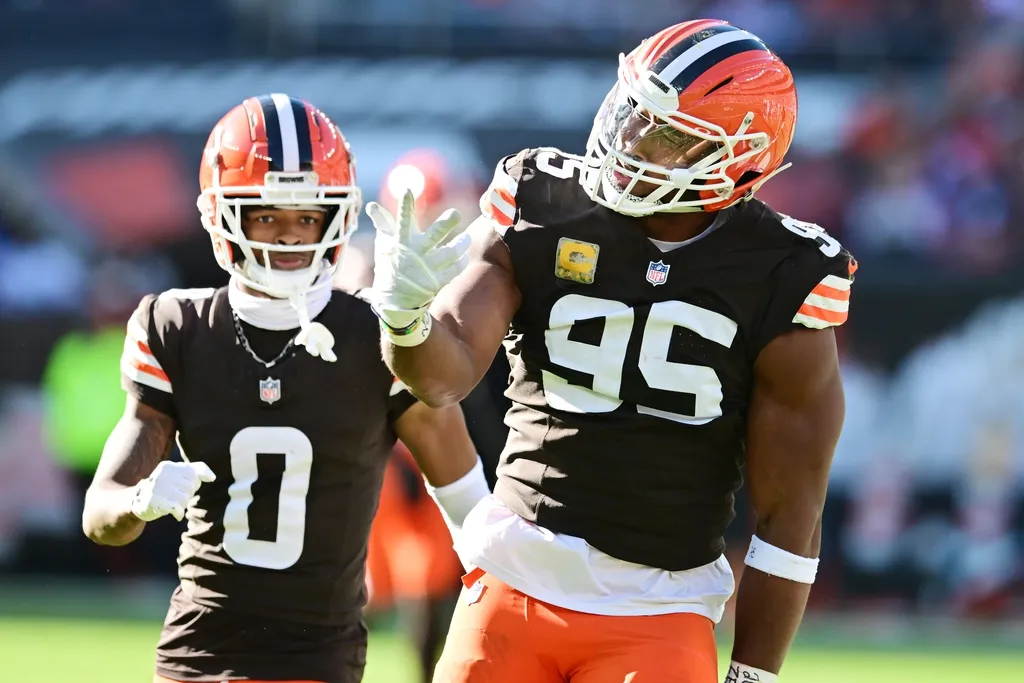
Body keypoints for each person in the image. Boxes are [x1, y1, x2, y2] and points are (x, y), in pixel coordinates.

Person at [368, 20, 856, 683]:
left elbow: (790, 511)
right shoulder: (544, 201)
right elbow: (444, 375)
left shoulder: (786, 272)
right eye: (632, 112)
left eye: (667, 133)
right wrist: (405, 320)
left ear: (738, 159)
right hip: (516, 577)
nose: (630, 139)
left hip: (661, 606)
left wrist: (753, 674)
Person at [81, 94, 483, 683]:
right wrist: (140, 500)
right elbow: (100, 512)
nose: (289, 237)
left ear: (335, 218)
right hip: (198, 650)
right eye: (266, 216)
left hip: (316, 657)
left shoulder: (377, 335)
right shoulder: (177, 327)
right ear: (224, 216)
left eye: (306, 217)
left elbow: (472, 508)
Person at [363, 150, 499, 683]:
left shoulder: (491, 276)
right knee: (376, 588)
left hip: (458, 447)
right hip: (401, 458)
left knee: (444, 589)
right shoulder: (366, 276)